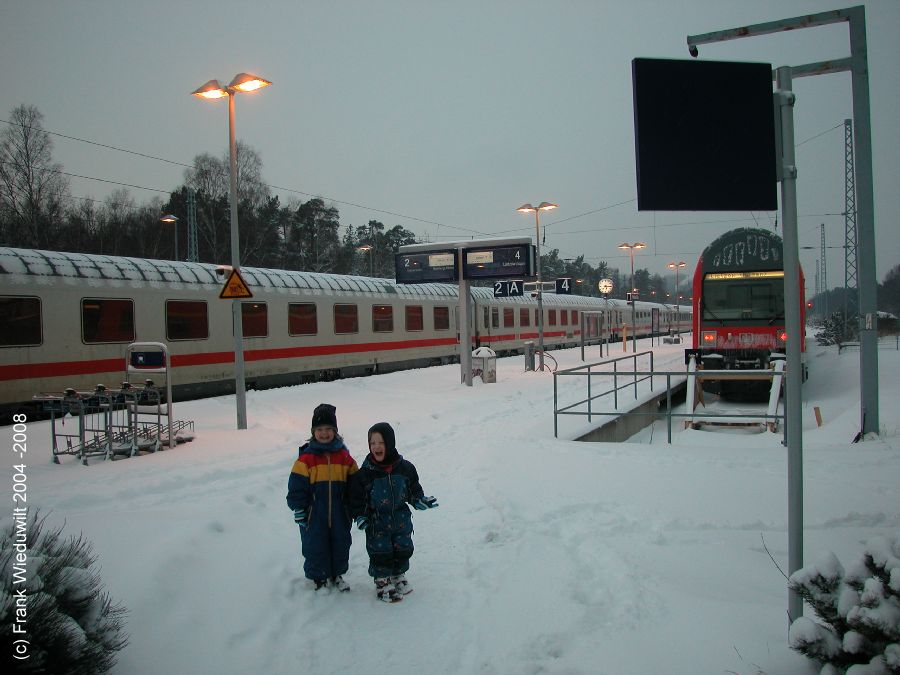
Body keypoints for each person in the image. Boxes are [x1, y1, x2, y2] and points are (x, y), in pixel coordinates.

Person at [349, 422, 438, 603]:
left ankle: (398, 575)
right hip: (377, 522)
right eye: (372, 443)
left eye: (381, 442)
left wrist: (419, 500)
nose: (376, 447)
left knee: (403, 548)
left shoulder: (405, 468)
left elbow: (413, 489)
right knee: (381, 552)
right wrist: (360, 515)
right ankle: (382, 582)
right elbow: (357, 499)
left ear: (390, 443)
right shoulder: (365, 473)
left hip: (401, 519)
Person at [286, 403, 358, 592]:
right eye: (319, 429)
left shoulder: (344, 458)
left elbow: (355, 485)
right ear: (313, 432)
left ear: (335, 431)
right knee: (315, 545)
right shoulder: (306, 460)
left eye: (328, 429)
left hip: (339, 512)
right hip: (314, 514)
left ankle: (337, 573)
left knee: (340, 543)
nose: (324, 433)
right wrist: (299, 508)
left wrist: (354, 506)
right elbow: (296, 488)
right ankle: (319, 577)